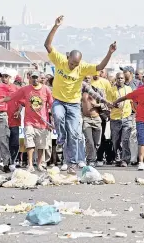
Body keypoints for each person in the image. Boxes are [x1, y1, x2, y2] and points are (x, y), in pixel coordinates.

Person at [44, 15, 117, 174]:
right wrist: (56, 26)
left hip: (73, 104)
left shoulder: (82, 68)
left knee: (75, 134)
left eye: (75, 65)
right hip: (59, 101)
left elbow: (100, 66)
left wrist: (109, 53)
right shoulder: (60, 60)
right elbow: (47, 45)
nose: (72, 66)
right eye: (71, 63)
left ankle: (72, 164)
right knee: (57, 115)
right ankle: (61, 137)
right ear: (68, 57)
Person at [0, 71, 53, 172]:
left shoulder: (46, 89)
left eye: (36, 77)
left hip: (42, 122)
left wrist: (53, 120)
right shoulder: (25, 89)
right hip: (29, 121)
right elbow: (11, 97)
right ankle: (30, 164)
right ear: (30, 79)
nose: (34, 79)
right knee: (29, 143)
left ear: (39, 79)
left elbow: (52, 104)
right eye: (32, 77)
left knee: (41, 145)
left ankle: (39, 164)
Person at [81, 81, 111, 167]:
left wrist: (97, 105)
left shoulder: (97, 91)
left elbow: (105, 104)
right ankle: (91, 160)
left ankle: (93, 156)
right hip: (86, 119)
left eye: (88, 79)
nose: (86, 81)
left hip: (97, 119)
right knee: (89, 141)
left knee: (97, 142)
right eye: (85, 79)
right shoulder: (79, 92)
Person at [107, 72, 133, 167]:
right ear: (116, 79)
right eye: (118, 78)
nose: (120, 80)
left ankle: (125, 159)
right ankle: (118, 158)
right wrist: (114, 104)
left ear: (124, 79)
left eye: (122, 78)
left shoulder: (129, 89)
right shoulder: (111, 90)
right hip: (115, 118)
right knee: (115, 140)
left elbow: (132, 102)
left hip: (127, 117)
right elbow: (108, 103)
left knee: (125, 139)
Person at [91, 73, 112, 166]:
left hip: (102, 113)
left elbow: (108, 98)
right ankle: (91, 158)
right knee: (90, 138)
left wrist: (104, 109)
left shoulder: (105, 83)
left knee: (102, 137)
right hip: (89, 114)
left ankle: (100, 158)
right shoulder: (86, 83)